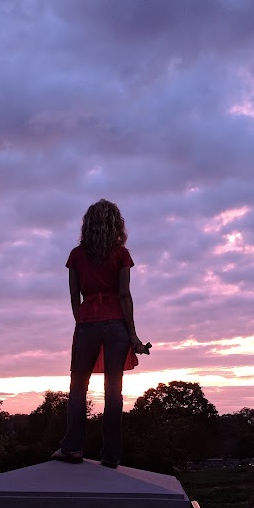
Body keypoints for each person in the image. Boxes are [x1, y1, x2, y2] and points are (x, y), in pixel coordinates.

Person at [51, 199, 148, 469]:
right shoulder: (121, 254)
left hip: (87, 323)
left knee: (78, 388)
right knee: (113, 391)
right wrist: (134, 336)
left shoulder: (76, 255)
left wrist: (82, 321)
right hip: (116, 324)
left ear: (87, 224)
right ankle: (111, 456)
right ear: (116, 223)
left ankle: (72, 449)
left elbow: (74, 297)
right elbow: (125, 295)